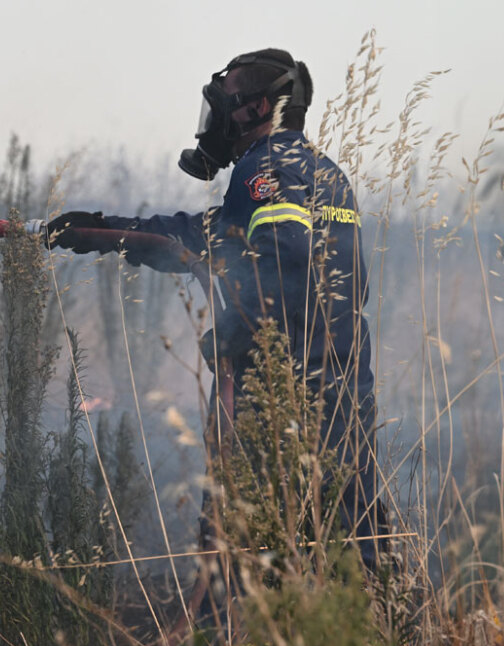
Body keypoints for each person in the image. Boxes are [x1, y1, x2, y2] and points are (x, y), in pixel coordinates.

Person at [47, 48, 387, 569]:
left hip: (277, 409)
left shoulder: (265, 166)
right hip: (341, 403)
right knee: (353, 559)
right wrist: (95, 230)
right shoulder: (321, 171)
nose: (215, 122)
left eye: (223, 104)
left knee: (240, 568)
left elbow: (287, 258)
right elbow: (201, 238)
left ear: (256, 108)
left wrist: (241, 331)